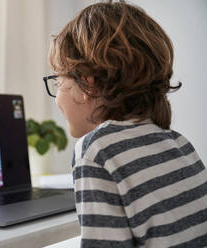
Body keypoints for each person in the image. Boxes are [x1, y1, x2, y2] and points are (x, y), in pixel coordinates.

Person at [45, 1, 207, 247]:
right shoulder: (180, 143)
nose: (57, 97)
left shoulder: (96, 152)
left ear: (87, 84)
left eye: (58, 82)